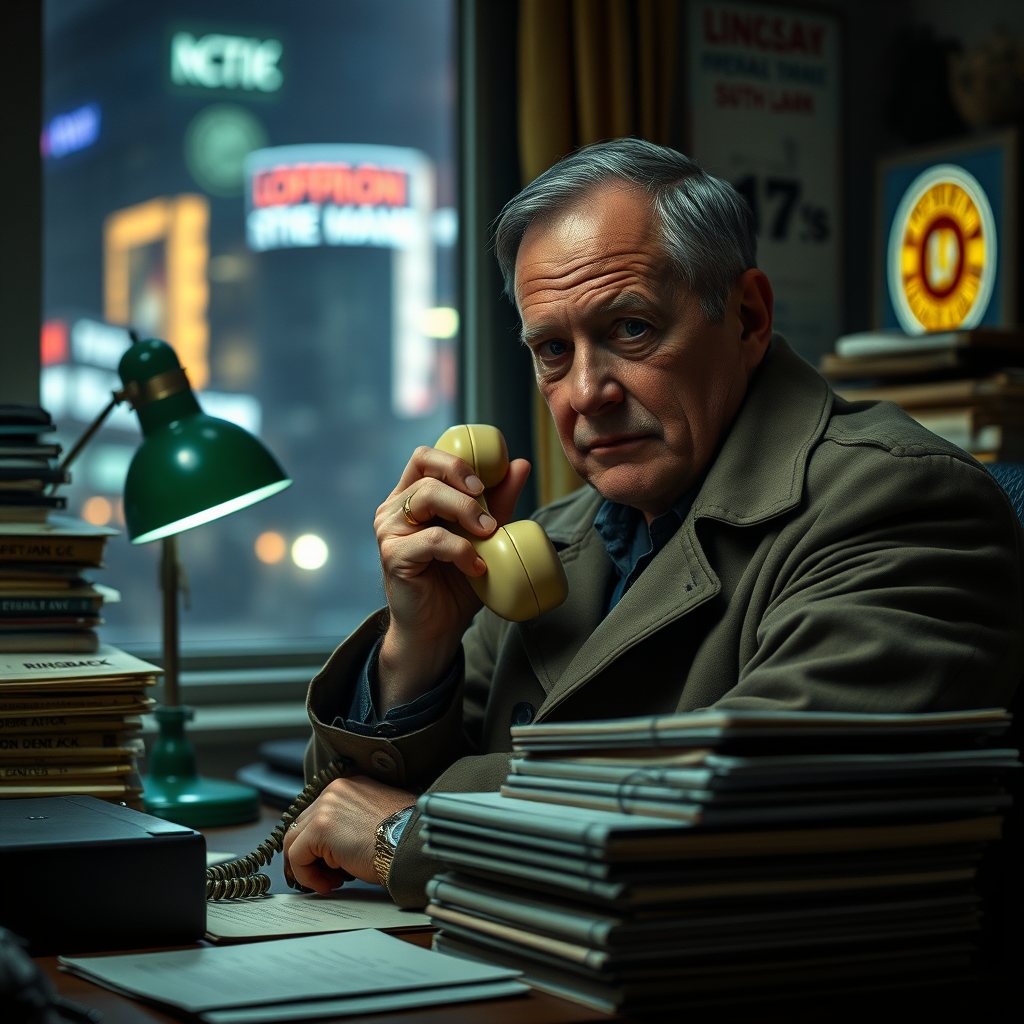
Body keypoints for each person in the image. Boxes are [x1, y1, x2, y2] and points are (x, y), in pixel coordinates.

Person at [282, 139, 1024, 908]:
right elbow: (333, 823)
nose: (587, 392)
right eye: (552, 351)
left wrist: (419, 833)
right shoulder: (556, 539)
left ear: (748, 317)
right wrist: (418, 645)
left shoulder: (901, 503)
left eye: (630, 329)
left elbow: (751, 808)